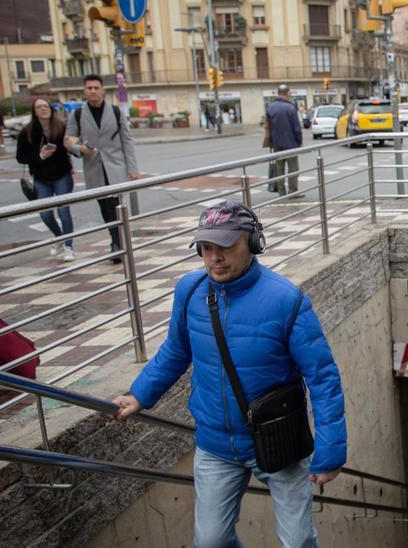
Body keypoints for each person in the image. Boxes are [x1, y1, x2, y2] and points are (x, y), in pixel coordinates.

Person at [111, 201, 347, 548]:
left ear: (252, 243)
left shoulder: (286, 300)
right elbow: (176, 350)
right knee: (211, 542)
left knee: (297, 542)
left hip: (277, 443)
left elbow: (323, 378)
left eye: (224, 246)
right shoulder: (190, 291)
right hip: (216, 445)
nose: (214, 258)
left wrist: (330, 452)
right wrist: (139, 394)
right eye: (206, 248)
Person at [64, 74, 140, 264]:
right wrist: (79, 149)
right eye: (89, 88)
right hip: (94, 168)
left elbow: (127, 140)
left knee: (115, 206)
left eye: (96, 88)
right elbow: (69, 139)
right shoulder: (78, 114)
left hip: (116, 167)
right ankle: (117, 241)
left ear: (103, 90)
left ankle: (117, 244)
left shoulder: (114, 112)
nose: (93, 91)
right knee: (104, 209)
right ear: (84, 91)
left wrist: (132, 168)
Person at [15, 98, 76, 262]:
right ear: (34, 111)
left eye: (45, 106)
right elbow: (20, 157)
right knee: (45, 214)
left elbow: (70, 147)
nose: (43, 109)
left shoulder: (61, 127)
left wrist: (75, 150)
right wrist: (40, 155)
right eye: (39, 107)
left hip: (62, 174)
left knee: (64, 211)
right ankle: (59, 237)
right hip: (41, 177)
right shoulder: (27, 132)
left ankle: (69, 247)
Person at [265, 85, 303, 199]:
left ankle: (281, 192)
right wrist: (299, 141)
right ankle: (292, 191)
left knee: (279, 169)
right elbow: (296, 127)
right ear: (287, 93)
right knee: (293, 168)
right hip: (290, 143)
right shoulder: (290, 108)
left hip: (276, 143)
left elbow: (267, 127)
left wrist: (270, 141)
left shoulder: (270, 107)